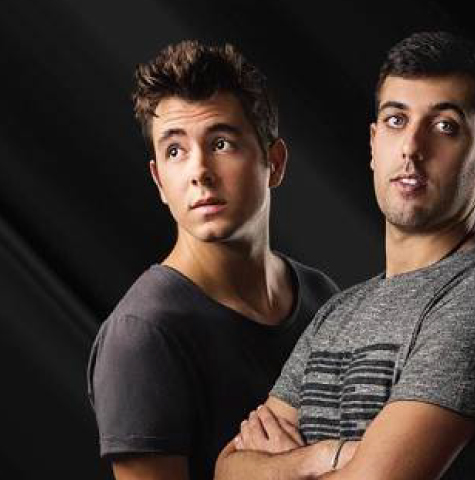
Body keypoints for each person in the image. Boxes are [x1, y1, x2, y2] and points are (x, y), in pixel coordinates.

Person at [215, 31, 475, 480]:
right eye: (396, 120)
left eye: (445, 127)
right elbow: (227, 469)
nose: (412, 148)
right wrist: (326, 456)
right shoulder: (338, 313)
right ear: (373, 143)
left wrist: (279, 468)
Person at [86, 40, 339, 480]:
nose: (199, 171)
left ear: (275, 162)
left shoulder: (322, 298)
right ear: (159, 181)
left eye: (221, 143)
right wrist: (301, 466)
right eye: (175, 151)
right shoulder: (143, 335)